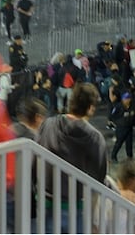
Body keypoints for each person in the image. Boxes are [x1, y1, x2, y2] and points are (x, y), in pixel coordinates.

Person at [36, 82, 108, 233]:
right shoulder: (95, 137)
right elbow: (98, 182)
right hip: (76, 208)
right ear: (90, 108)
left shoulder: (48, 124)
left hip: (45, 203)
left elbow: (34, 160)